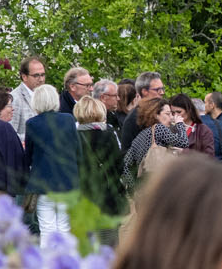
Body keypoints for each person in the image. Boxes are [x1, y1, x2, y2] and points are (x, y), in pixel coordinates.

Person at [24, 83, 81, 241]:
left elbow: (28, 156)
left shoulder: (32, 124)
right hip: (67, 182)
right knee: (64, 228)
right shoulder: (68, 120)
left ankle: (48, 264)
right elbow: (78, 151)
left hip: (43, 184)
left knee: (47, 229)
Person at [75, 97, 128, 237]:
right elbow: (120, 164)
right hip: (108, 194)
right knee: (109, 239)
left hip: (84, 195)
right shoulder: (108, 133)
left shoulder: (74, 136)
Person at [122, 96, 188, 192]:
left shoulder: (141, 135)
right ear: (156, 115)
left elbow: (126, 164)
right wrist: (180, 124)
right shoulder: (159, 128)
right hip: (161, 189)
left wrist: (133, 189)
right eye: (168, 114)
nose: (171, 117)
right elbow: (184, 142)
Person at [116, 71, 164, 152]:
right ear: (144, 91)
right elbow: (127, 154)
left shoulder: (161, 112)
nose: (162, 93)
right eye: (158, 90)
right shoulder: (134, 119)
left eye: (162, 89)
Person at [9, 55, 47, 138]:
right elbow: (11, 133)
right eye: (36, 75)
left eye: (43, 75)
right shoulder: (15, 98)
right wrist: (36, 138)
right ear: (24, 77)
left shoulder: (45, 95)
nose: (41, 79)